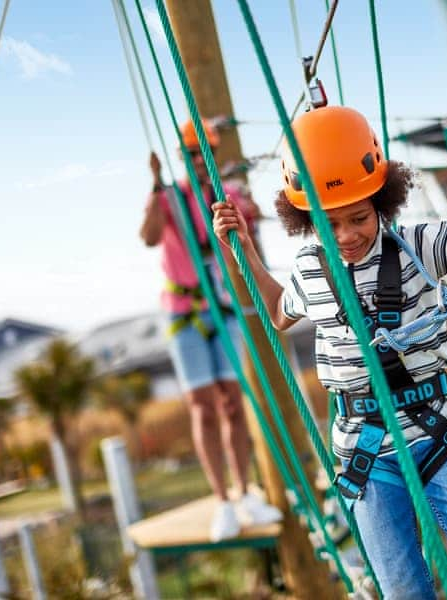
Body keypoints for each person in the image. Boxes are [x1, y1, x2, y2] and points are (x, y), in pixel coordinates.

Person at [213, 104, 447, 598]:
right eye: (329, 224)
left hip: (433, 428)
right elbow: (276, 312)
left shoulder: (421, 245)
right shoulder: (311, 270)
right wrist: (243, 249)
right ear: (307, 220)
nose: (347, 235)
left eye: (358, 217)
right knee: (403, 591)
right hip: (365, 449)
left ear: (381, 200)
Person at [140, 117, 281, 542]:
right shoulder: (168, 199)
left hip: (221, 306)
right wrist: (154, 185)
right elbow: (148, 237)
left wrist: (249, 208)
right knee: (202, 404)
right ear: (183, 158)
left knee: (233, 404)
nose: (200, 161)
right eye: (192, 154)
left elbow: (249, 222)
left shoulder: (225, 195)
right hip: (184, 310)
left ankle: (243, 492)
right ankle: (222, 501)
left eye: (206, 154)